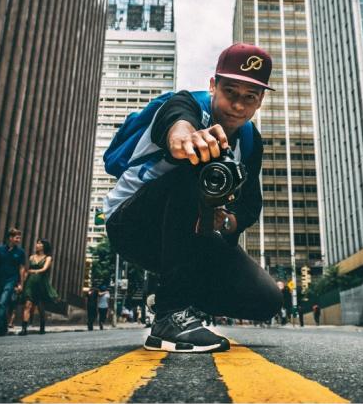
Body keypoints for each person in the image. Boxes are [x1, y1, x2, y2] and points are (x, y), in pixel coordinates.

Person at [104, 43, 282, 353]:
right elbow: (176, 124)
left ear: (260, 101)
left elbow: (251, 206)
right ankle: (169, 317)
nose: (238, 106)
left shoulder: (251, 141)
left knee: (266, 300)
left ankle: (167, 292)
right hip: (132, 226)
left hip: (192, 237)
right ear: (213, 85)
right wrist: (185, 138)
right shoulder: (184, 104)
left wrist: (225, 220)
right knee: (195, 167)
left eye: (249, 97)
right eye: (230, 92)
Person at [0, 227, 27, 336]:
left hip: (11, 280)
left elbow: (22, 269)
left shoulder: (20, 252)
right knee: (0, 304)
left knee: (3, 302)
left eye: (19, 238)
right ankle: (3, 327)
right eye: (17, 238)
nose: (18, 240)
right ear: (10, 238)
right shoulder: (0, 249)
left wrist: (21, 284)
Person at [20, 239, 59, 335]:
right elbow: (26, 270)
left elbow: (44, 269)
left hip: (41, 284)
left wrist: (33, 271)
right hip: (30, 283)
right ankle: (24, 328)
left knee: (41, 307)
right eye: (37, 243)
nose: (37, 245)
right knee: (27, 305)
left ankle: (42, 326)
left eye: (40, 243)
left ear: (44, 246)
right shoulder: (31, 257)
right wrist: (22, 283)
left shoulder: (48, 258)